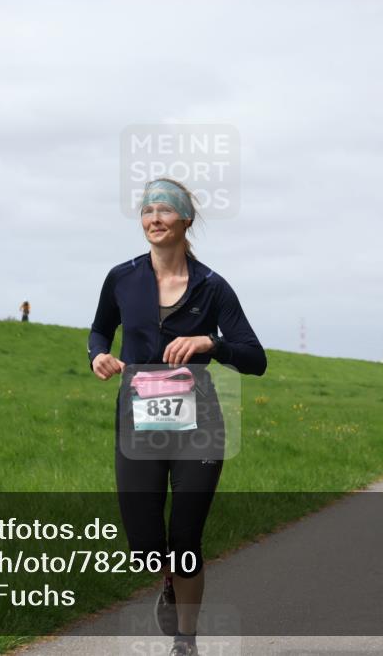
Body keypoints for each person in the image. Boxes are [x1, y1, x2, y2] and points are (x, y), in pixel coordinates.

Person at [88, 178, 267, 656]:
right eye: (147, 211)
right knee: (146, 542)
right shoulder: (121, 278)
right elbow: (100, 329)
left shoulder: (212, 286)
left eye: (165, 211)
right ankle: (166, 578)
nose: (154, 219)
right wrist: (98, 357)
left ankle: (185, 640)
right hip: (139, 422)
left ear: (186, 220)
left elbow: (255, 357)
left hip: (198, 425)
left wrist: (212, 343)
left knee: (186, 536)